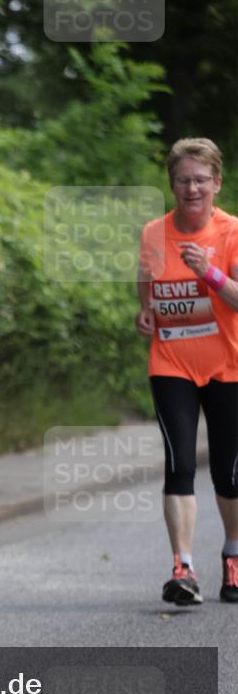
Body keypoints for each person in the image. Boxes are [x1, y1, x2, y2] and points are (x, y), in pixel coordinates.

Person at [136, 138, 238, 606]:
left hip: (228, 365)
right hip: (172, 360)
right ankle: (183, 567)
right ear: (172, 184)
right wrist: (146, 312)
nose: (192, 188)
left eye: (201, 179)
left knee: (227, 474)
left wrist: (211, 275)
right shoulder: (155, 233)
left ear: (216, 183)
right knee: (178, 465)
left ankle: (233, 558)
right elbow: (146, 278)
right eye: (183, 180)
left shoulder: (232, 232)